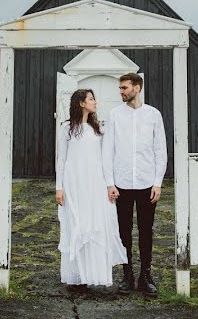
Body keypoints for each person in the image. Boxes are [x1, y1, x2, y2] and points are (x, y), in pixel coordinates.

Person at [55, 89, 127, 291]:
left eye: (94, 98)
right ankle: (77, 276)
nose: (95, 102)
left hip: (94, 183)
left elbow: (105, 160)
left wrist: (109, 184)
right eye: (91, 99)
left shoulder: (98, 130)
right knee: (76, 224)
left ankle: (93, 273)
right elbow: (61, 159)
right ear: (80, 103)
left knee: (94, 224)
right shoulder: (67, 128)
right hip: (74, 183)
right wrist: (59, 187)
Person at [102, 72, 168, 296]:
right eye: (120, 88)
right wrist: (110, 183)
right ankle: (127, 274)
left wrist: (157, 183)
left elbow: (161, 151)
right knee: (123, 231)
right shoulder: (114, 115)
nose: (121, 92)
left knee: (146, 230)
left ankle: (146, 275)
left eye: (124, 88)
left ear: (137, 88)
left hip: (146, 183)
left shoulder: (153, 115)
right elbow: (107, 150)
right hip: (121, 184)